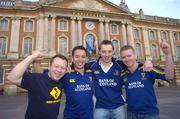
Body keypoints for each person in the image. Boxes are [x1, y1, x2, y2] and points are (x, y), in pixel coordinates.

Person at [120, 41, 174, 119]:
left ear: (135, 55)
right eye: (124, 57)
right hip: (131, 114)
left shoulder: (148, 68)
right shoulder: (123, 74)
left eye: (129, 56)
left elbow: (169, 76)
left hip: (150, 114)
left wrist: (168, 54)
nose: (127, 59)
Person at [6, 51, 68, 119]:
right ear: (49, 66)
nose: (59, 70)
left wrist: (37, 62)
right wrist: (32, 57)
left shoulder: (62, 80)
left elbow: (39, 69)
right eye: (56, 66)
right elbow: (12, 78)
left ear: (65, 70)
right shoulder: (36, 79)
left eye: (62, 68)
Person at [87, 40, 126, 119]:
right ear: (99, 52)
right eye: (104, 52)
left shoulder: (120, 64)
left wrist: (147, 63)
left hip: (118, 106)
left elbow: (133, 63)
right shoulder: (92, 65)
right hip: (100, 107)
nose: (107, 55)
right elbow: (78, 65)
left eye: (109, 51)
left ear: (113, 52)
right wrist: (69, 66)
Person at [62, 46, 94, 119]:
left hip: (88, 116)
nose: (80, 60)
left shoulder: (91, 72)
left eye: (83, 57)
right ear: (72, 58)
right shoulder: (66, 73)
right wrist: (36, 61)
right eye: (77, 56)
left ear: (86, 59)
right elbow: (45, 77)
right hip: (70, 116)